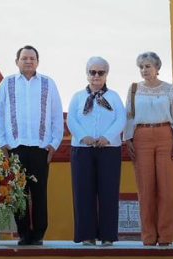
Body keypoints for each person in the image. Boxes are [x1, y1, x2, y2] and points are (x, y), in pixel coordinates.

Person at [0, 45, 64, 246]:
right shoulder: (7, 83)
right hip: (16, 147)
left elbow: (57, 115)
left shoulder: (49, 84)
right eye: (24, 58)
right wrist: (2, 143)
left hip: (41, 148)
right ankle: (23, 233)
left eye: (32, 58)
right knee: (18, 193)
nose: (29, 61)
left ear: (37, 62)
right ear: (17, 62)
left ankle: (39, 233)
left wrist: (54, 143)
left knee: (40, 193)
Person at [123, 51, 173, 247]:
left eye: (148, 66)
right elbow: (129, 116)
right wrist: (128, 140)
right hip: (141, 138)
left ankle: (165, 237)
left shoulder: (169, 89)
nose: (144, 70)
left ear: (157, 68)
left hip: (166, 136)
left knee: (167, 189)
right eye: (141, 67)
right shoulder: (133, 89)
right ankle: (148, 237)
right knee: (145, 188)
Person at [66, 56, 124, 247]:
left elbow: (121, 119)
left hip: (109, 150)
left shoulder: (114, 97)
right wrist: (84, 136)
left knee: (108, 192)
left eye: (101, 72)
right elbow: (72, 120)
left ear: (106, 74)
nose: (96, 76)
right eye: (93, 72)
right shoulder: (77, 97)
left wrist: (107, 136)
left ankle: (108, 235)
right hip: (82, 150)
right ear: (87, 73)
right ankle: (87, 235)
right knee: (83, 193)